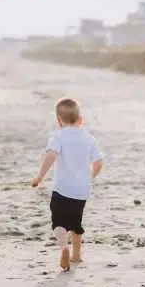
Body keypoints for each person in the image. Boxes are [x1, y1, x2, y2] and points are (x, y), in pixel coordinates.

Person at [31, 97, 104, 271]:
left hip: (62, 189)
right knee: (76, 222)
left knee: (59, 222)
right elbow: (98, 162)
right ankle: (77, 256)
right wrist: (91, 177)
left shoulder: (57, 136)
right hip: (81, 190)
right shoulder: (89, 139)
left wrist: (40, 177)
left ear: (59, 120)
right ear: (81, 120)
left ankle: (64, 247)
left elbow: (50, 156)